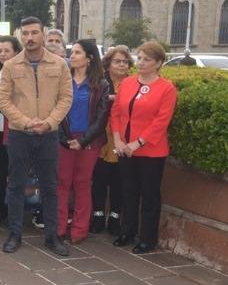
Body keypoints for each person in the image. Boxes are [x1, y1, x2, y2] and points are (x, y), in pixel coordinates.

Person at [0, 16, 72, 256]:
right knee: (16, 185)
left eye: (34, 33)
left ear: (43, 34)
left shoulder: (59, 64)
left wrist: (49, 123)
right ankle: (14, 234)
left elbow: (65, 98)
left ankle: (52, 236)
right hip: (20, 134)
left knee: (50, 187)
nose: (30, 38)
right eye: (26, 33)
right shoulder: (11, 66)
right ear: (21, 36)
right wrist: (26, 121)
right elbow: (3, 100)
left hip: (48, 135)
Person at [111, 41, 177, 254]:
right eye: (139, 58)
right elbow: (116, 112)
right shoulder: (128, 83)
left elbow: (161, 121)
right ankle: (127, 231)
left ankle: (148, 238)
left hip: (151, 151)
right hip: (125, 148)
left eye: (147, 59)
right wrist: (118, 140)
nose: (141, 63)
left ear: (158, 63)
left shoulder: (166, 88)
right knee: (128, 192)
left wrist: (137, 143)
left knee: (149, 195)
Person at [56, 39, 110, 244]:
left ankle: (79, 229)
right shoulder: (63, 80)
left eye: (77, 53)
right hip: (65, 139)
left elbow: (101, 118)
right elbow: (56, 111)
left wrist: (83, 141)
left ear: (89, 58)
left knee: (82, 183)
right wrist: (64, 138)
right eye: (72, 52)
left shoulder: (100, 84)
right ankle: (59, 227)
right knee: (62, 183)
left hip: (89, 141)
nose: (72, 56)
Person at [91, 46, 133, 234]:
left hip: (122, 136)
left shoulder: (133, 83)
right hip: (101, 136)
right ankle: (98, 215)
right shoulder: (100, 81)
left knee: (119, 179)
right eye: (117, 61)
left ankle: (115, 216)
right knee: (100, 177)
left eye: (125, 61)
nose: (122, 65)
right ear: (108, 64)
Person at [0, 36, 22, 223]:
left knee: (13, 170)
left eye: (7, 51)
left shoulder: (22, 73)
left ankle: (13, 208)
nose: (2, 54)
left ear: (16, 52)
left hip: (14, 129)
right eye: (0, 51)